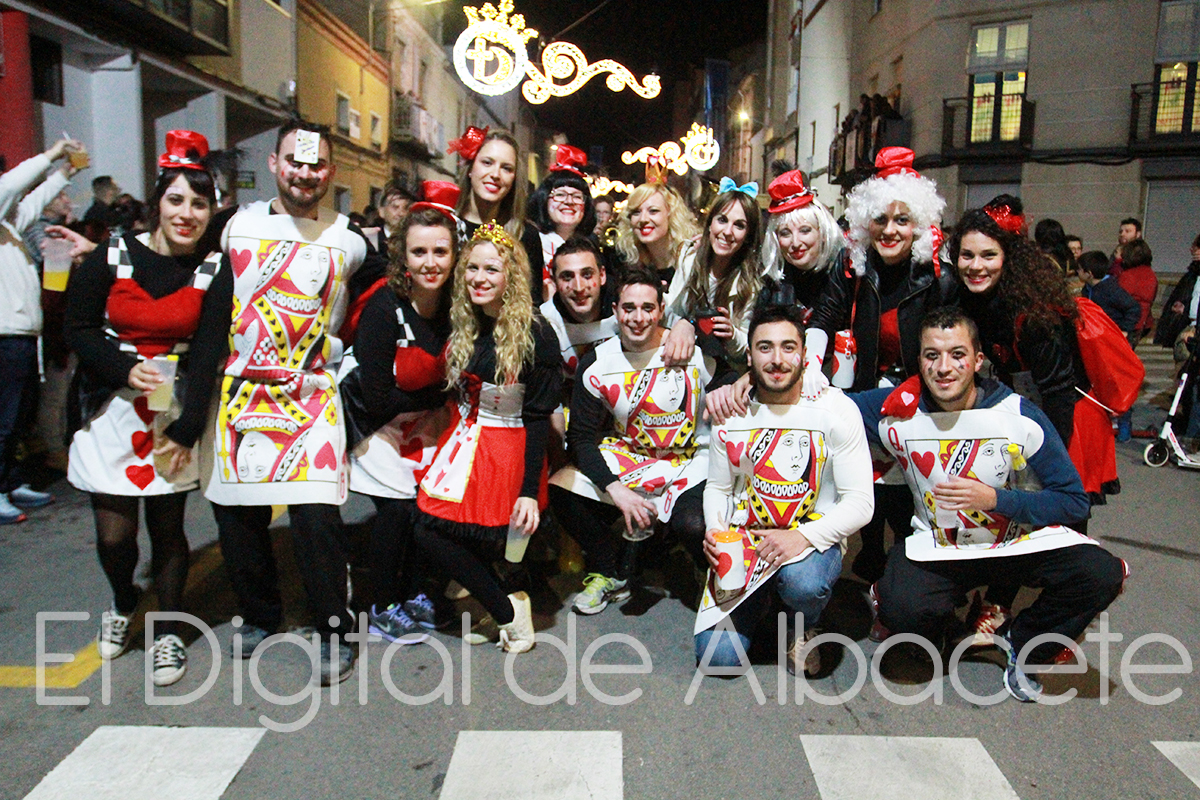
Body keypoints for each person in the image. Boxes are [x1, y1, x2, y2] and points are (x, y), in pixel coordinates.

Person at [163, 120, 370, 685]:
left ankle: (334, 628)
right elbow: (186, 273)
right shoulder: (235, 226)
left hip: (312, 394)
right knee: (238, 517)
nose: (306, 173)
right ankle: (259, 615)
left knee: (317, 517)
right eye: (295, 161)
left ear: (331, 171)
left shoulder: (351, 240)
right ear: (275, 164)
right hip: (239, 393)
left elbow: (384, 297)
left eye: (317, 164)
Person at [855, 308, 1127, 702]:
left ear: (978, 360)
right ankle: (946, 631)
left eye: (957, 355)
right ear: (919, 361)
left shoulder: (1019, 415)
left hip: (1013, 546)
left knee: (1100, 573)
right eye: (932, 355)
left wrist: (998, 499)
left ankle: (1025, 643)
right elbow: (827, 409)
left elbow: (1073, 502)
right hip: (942, 549)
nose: (943, 368)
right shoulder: (896, 407)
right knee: (901, 607)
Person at [64, 130, 225, 687]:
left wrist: (186, 428)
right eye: (176, 199)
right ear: (157, 201)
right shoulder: (111, 253)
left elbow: (208, 353)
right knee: (114, 537)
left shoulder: (214, 269)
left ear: (212, 211)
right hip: (110, 412)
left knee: (168, 530)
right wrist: (120, 367)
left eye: (199, 203)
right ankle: (123, 600)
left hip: (169, 414)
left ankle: (168, 632)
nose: (186, 213)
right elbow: (78, 328)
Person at [695, 304, 873, 675]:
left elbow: (860, 503)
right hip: (746, 540)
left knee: (803, 584)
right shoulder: (732, 411)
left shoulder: (836, 410)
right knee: (718, 660)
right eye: (765, 347)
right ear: (749, 357)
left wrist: (801, 537)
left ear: (804, 355)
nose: (777, 359)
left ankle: (800, 622)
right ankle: (763, 600)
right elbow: (718, 487)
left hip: (809, 538)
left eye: (788, 347)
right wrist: (714, 530)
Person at [806, 146, 952, 584]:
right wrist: (811, 365)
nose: (890, 230)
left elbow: (950, 341)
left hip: (922, 395)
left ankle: (908, 568)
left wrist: (920, 386)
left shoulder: (937, 275)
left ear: (919, 225)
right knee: (864, 479)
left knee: (909, 491)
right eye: (880, 219)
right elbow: (826, 314)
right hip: (865, 389)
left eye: (902, 220)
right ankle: (871, 554)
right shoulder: (853, 263)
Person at [549, 268, 732, 615]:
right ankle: (610, 569)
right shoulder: (596, 363)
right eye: (629, 308)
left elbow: (731, 378)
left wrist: (725, 381)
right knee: (561, 489)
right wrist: (615, 489)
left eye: (648, 308)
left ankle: (699, 565)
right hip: (632, 455)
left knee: (693, 525)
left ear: (661, 310)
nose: (638, 318)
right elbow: (581, 438)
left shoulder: (688, 348)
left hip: (690, 459)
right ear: (615, 311)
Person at [413, 223, 560, 654]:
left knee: (433, 531)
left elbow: (537, 418)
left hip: (506, 448)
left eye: (491, 269)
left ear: (512, 276)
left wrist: (529, 491)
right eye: (472, 268)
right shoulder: (468, 321)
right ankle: (505, 608)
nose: (478, 278)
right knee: (440, 530)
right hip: (464, 441)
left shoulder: (536, 332)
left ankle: (507, 612)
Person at [346, 186, 461, 645]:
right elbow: (376, 397)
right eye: (419, 252)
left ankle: (415, 592)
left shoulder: (458, 307)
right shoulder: (383, 308)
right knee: (397, 511)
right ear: (402, 256)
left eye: (440, 251)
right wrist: (440, 393)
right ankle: (380, 603)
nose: (430, 262)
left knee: (428, 511)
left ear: (455, 255)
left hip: (428, 421)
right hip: (379, 426)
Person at [0, 136, 86, 523]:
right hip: (5, 335)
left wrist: (64, 171)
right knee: (5, 417)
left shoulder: (9, 225)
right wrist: (50, 155)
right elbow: (12, 187)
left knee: (18, 417)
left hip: (22, 335)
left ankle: (11, 480)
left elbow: (31, 203)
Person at [662, 177, 763, 368]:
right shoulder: (688, 258)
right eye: (722, 220)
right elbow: (671, 309)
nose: (728, 231)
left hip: (724, 370)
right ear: (710, 224)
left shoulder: (750, 283)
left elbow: (748, 346)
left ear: (748, 236)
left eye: (739, 225)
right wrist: (686, 322)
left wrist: (732, 335)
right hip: (682, 362)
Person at [521, 144, 597, 303]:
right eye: (560, 195)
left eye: (577, 196)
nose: (569, 202)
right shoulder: (528, 242)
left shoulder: (593, 247)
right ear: (544, 199)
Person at [613, 177, 700, 285]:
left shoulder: (692, 258)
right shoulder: (627, 264)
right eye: (636, 212)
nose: (643, 219)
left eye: (653, 211)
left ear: (671, 215)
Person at [449, 125, 524, 242]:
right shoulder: (446, 226)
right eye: (487, 163)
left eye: (506, 168)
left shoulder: (525, 235)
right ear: (470, 168)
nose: (495, 174)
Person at [1154, 232, 1200, 349]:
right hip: (1188, 326)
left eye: (1198, 247)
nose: (1193, 250)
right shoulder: (1192, 275)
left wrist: (1186, 309)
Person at [1077, 251, 1141, 335]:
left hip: (1110, 333)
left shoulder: (1111, 290)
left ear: (1089, 274)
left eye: (1079, 269)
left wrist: (1125, 330)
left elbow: (1134, 308)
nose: (1077, 271)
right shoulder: (1087, 288)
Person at [1114, 238, 1158, 345]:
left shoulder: (1128, 275)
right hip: (1144, 321)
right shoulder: (1151, 274)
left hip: (1129, 322)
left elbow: (1119, 299)